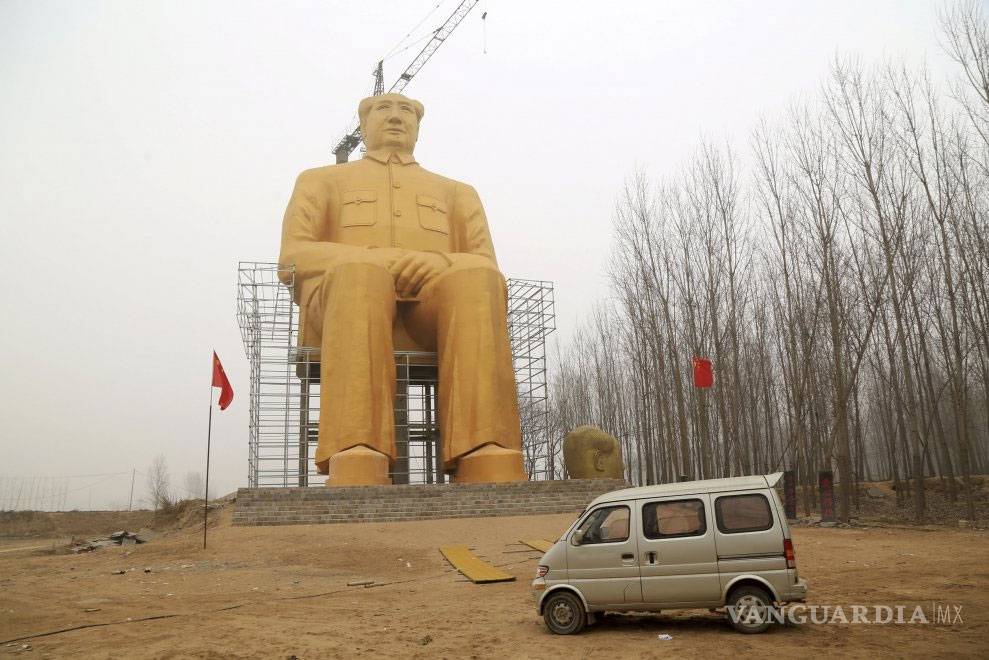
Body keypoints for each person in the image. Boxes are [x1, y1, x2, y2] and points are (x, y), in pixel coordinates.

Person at [278, 93, 526, 486]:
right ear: (362, 124)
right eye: (383, 109)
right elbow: (292, 256)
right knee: (361, 273)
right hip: (342, 305)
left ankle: (482, 446)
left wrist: (443, 262)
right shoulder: (321, 181)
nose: (396, 117)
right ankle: (357, 447)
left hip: (430, 310)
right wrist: (373, 258)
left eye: (406, 111)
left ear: (418, 126)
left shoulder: (456, 192)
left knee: (477, 282)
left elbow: (486, 264)